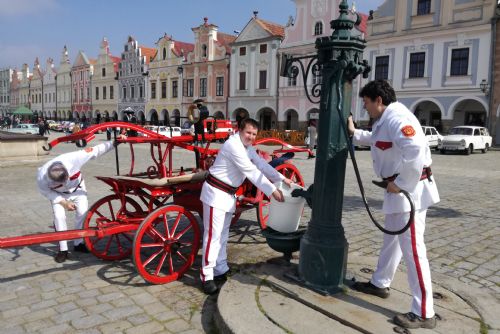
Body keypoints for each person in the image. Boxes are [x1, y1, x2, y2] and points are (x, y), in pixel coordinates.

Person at [347, 80, 440, 329]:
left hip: (410, 193)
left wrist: (400, 183)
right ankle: (380, 282)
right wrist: (355, 132)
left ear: (378, 100)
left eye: (366, 103)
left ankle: (424, 311)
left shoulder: (398, 118)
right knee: (392, 240)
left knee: (413, 250)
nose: (365, 108)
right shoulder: (386, 119)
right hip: (400, 192)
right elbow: (377, 139)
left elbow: (417, 149)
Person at [199, 118, 293, 295]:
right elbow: (251, 171)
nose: (251, 137)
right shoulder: (233, 145)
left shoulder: (246, 148)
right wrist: (272, 190)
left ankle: (220, 269)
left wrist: (281, 178)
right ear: (239, 130)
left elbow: (261, 164)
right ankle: (206, 276)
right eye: (248, 132)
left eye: (254, 134)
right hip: (215, 194)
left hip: (227, 196)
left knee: (223, 236)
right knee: (212, 236)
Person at [36, 137, 125, 263]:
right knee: (59, 217)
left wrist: (114, 142)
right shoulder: (41, 176)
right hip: (58, 195)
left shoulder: (74, 158)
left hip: (78, 189)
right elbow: (46, 192)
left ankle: (79, 243)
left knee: (82, 214)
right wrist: (63, 202)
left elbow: (95, 151)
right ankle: (63, 249)